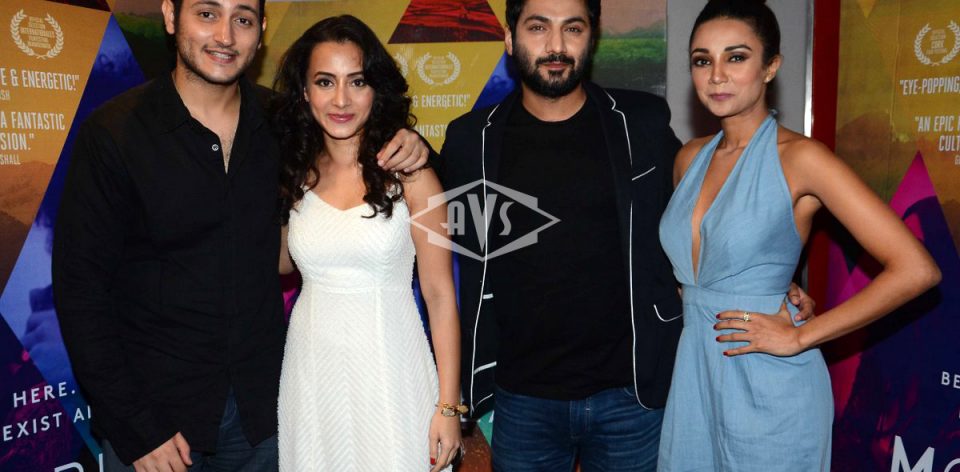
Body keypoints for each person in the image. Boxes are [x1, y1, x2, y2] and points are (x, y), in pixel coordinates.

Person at [51, 0, 429, 470]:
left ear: (261, 29)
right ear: (170, 16)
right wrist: (136, 426)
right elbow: (80, 292)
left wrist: (415, 145)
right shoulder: (115, 134)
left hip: (264, 417)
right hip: (159, 424)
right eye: (207, 14)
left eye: (243, 19)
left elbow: (368, 159)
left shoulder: (285, 125)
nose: (226, 36)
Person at [438, 0, 813, 470]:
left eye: (573, 28)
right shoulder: (471, 140)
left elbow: (705, 210)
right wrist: (411, 148)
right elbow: (444, 244)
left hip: (632, 396)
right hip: (522, 399)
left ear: (591, 37)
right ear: (510, 39)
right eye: (538, 28)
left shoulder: (641, 123)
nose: (556, 45)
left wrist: (765, 279)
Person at [656, 1, 942, 470]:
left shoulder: (802, 159)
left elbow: (917, 269)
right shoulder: (689, 158)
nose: (717, 75)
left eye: (736, 57)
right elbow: (704, 267)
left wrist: (801, 336)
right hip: (695, 380)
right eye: (703, 60)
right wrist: (768, 281)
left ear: (771, 67)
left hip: (771, 389)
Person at [273, 16, 462, 472]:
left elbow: (440, 295)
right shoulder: (292, 174)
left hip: (392, 370)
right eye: (325, 82)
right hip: (311, 374)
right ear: (305, 91)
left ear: (376, 89)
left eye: (357, 81)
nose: (341, 99)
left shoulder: (414, 173)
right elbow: (280, 264)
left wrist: (448, 406)